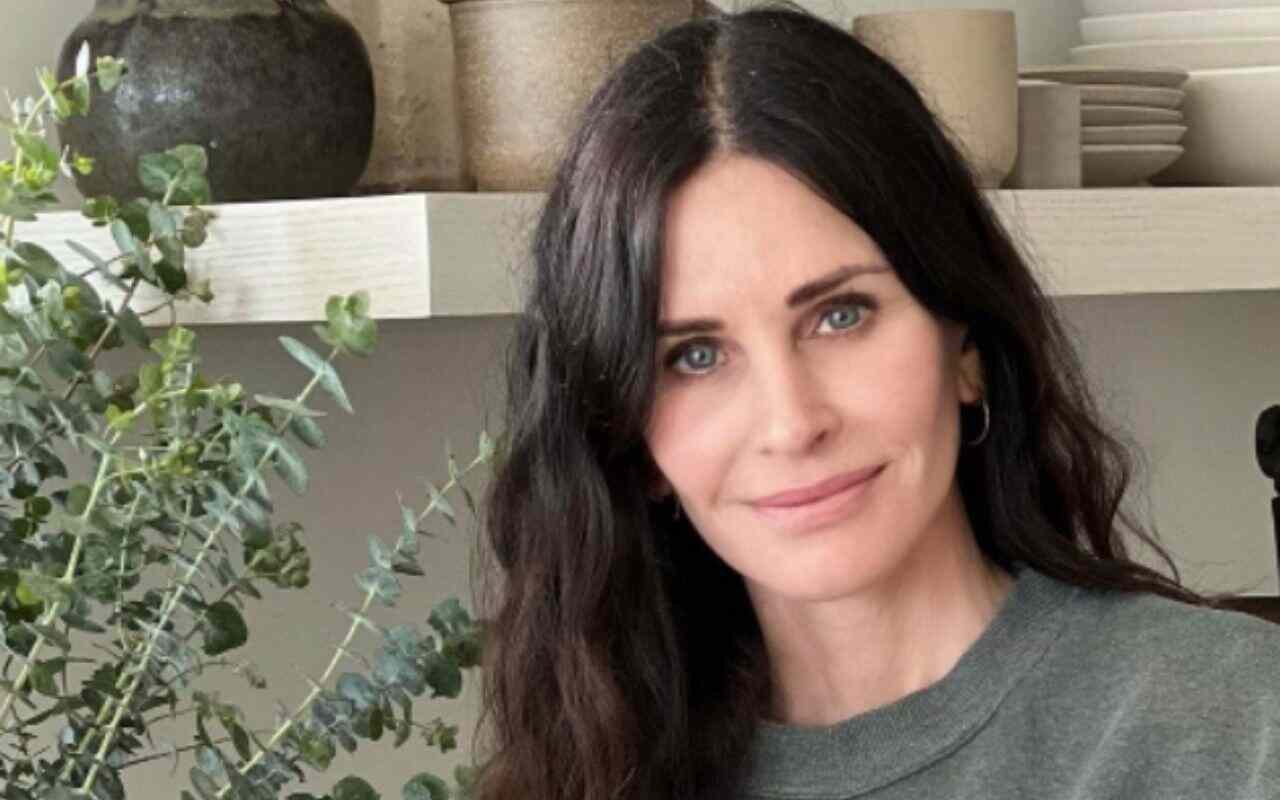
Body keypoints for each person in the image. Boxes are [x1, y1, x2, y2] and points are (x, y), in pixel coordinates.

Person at [467, 3, 1280, 798]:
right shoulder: (580, 776)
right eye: (696, 356)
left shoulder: (1235, 725)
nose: (793, 422)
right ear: (631, 436)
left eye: (841, 315)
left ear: (965, 347)